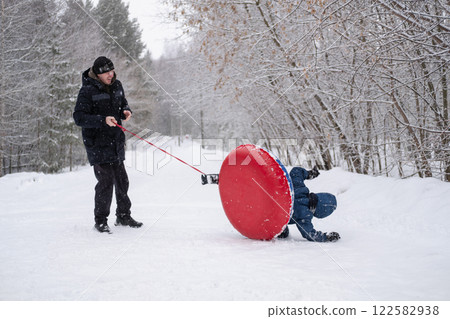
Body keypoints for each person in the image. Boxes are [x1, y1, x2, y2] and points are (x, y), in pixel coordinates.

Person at [73, 56, 143, 233]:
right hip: (97, 143)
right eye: (107, 73)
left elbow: (122, 103)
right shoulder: (87, 91)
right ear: (98, 74)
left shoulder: (117, 85)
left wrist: (126, 111)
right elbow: (79, 118)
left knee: (122, 180)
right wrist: (103, 120)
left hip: (116, 141)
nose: (111, 75)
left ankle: (123, 215)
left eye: (112, 71)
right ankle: (101, 220)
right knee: (106, 182)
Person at [278, 166, 340, 242]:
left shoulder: (299, 189)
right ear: (320, 214)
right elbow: (310, 234)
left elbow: (296, 171)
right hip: (270, 217)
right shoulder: (305, 216)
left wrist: (309, 174)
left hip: (269, 197)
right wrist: (326, 238)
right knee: (283, 232)